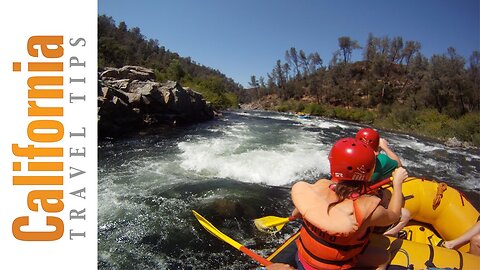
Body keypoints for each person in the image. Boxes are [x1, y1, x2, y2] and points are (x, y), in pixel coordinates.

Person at [268, 138, 408, 270]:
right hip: (337, 266)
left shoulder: (317, 188)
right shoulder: (368, 210)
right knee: (384, 256)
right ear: (369, 170)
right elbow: (394, 215)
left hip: (302, 260)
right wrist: (397, 184)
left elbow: (297, 213)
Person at [355, 127, 410, 237]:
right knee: (405, 215)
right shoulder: (381, 162)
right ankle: (382, 237)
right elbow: (398, 164)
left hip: (355, 199)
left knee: (386, 194)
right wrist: (385, 147)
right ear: (376, 151)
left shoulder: (347, 158)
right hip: (365, 204)